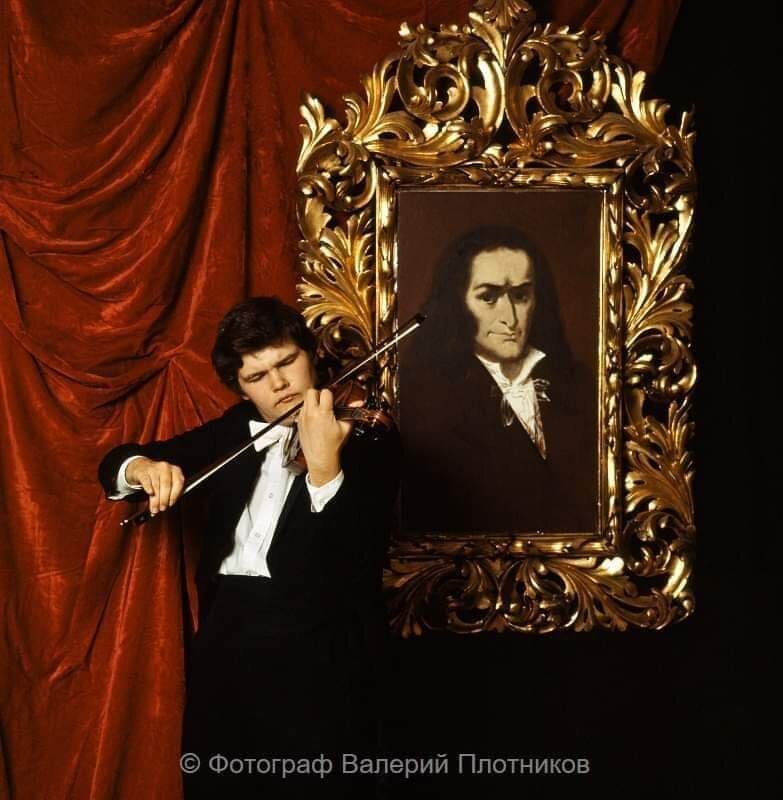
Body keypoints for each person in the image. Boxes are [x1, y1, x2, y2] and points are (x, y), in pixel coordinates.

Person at [98, 296, 400, 798]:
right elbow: (117, 463)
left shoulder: (367, 436)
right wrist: (143, 468)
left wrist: (325, 467)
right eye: (258, 376)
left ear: (311, 356)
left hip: (321, 659)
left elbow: (353, 560)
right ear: (240, 387)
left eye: (287, 362)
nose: (279, 384)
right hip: (227, 648)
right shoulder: (233, 431)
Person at [400, 225, 596, 534]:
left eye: (520, 296)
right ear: (457, 302)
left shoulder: (581, 386)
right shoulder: (425, 399)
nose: (510, 318)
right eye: (489, 297)